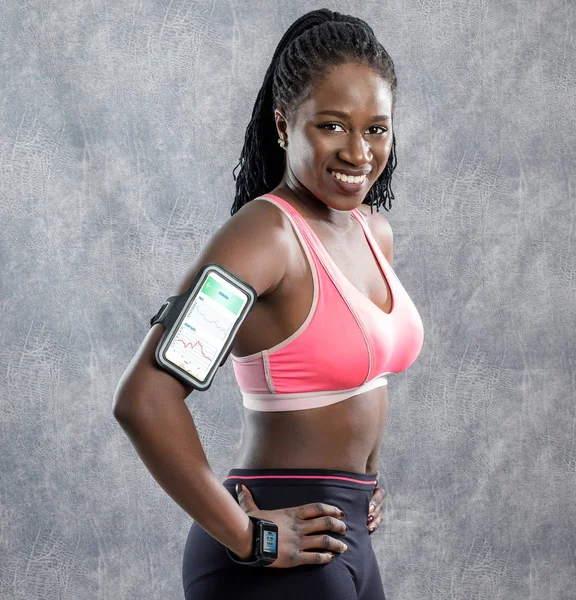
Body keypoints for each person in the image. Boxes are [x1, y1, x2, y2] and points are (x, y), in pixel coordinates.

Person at [112, 8, 424, 600]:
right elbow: (144, 399)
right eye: (332, 125)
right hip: (274, 542)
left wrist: (363, 483)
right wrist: (251, 537)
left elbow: (357, 383)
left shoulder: (371, 231)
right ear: (284, 126)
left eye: (376, 128)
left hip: (346, 533)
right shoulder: (264, 237)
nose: (358, 153)